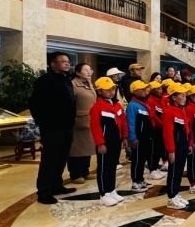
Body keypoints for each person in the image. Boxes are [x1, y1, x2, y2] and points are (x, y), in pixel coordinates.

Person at [28, 51, 77, 205]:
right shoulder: (44, 81)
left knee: (61, 159)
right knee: (50, 161)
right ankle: (44, 192)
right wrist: (45, 124)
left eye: (68, 61)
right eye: (63, 61)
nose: (67, 64)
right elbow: (35, 105)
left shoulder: (66, 80)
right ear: (53, 64)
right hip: (52, 128)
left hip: (67, 127)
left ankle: (57, 185)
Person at [89, 77, 129, 207]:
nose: (111, 92)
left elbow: (123, 121)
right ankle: (104, 194)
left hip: (116, 142)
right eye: (107, 90)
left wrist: (125, 137)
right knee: (103, 168)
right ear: (100, 91)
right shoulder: (97, 108)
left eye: (112, 89)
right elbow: (95, 127)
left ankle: (111, 190)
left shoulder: (117, 105)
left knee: (112, 167)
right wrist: (100, 143)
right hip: (105, 144)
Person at [162, 84, 192, 210]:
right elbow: (168, 133)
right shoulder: (169, 111)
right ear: (174, 97)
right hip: (175, 147)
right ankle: (171, 197)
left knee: (179, 171)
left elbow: (186, 129)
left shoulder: (182, 109)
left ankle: (176, 194)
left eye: (185, 95)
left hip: (183, 145)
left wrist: (189, 143)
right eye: (181, 95)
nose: (184, 98)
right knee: (173, 172)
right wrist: (171, 150)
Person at [68, 63, 96, 184]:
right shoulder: (73, 84)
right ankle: (75, 174)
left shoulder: (89, 83)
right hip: (79, 121)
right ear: (78, 72)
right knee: (77, 149)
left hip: (90, 120)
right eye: (86, 70)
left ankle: (85, 171)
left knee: (87, 147)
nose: (89, 72)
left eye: (90, 70)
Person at [125, 80, 155, 192]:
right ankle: (135, 182)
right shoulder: (133, 105)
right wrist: (133, 137)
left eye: (145, 89)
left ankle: (140, 179)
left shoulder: (144, 103)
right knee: (137, 160)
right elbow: (131, 123)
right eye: (142, 89)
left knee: (142, 159)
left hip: (146, 137)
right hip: (138, 138)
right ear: (135, 92)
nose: (145, 91)